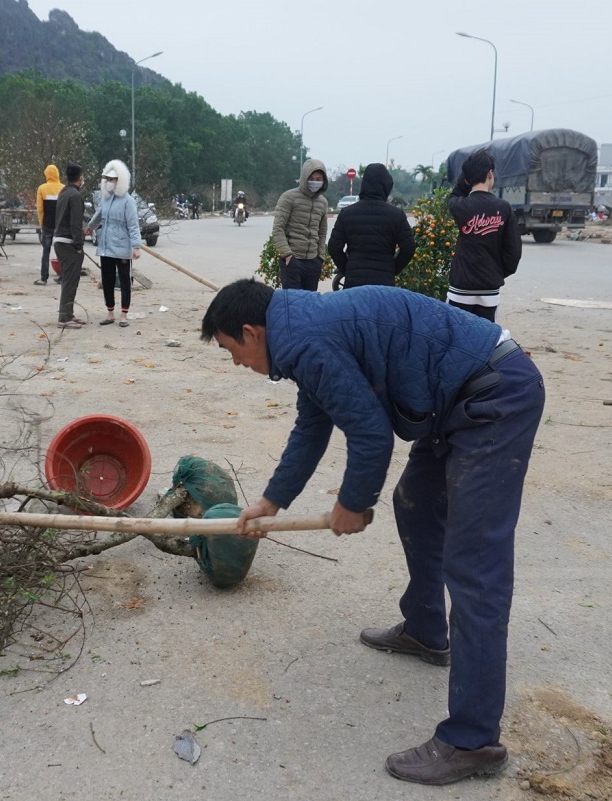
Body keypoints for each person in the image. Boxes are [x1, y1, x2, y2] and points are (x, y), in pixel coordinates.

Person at [200, 278, 545, 786]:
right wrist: (272, 501)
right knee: (415, 502)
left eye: (231, 351)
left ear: (251, 332)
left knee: (474, 568)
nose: (237, 363)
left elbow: (369, 432)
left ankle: (473, 740)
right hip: (454, 401)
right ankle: (428, 632)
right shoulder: (298, 327)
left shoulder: (303, 338)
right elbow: (313, 423)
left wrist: (353, 504)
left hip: (493, 399)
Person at [447, 150, 521, 322]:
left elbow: (454, 194)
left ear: (466, 180)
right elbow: (513, 251)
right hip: (489, 290)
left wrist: (467, 177)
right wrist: (496, 274)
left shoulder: (459, 206)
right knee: (485, 342)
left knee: (456, 338)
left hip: (460, 290)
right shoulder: (504, 208)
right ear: (490, 174)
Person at [328, 163, 416, 290]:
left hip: (354, 284)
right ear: (386, 185)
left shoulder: (347, 213)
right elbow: (408, 248)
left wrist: (347, 268)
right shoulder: (397, 215)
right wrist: (392, 269)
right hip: (384, 285)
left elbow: (334, 247)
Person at [86, 159, 141, 327]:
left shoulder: (128, 202)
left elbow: (133, 225)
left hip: (122, 247)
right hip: (105, 247)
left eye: (113, 180)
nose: (109, 182)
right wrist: (89, 228)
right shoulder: (106, 200)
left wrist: (136, 246)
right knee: (107, 281)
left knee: (125, 281)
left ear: (120, 181)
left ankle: (124, 315)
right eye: (108, 179)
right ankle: (110, 313)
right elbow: (98, 216)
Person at [272, 159, 330, 290]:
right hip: (293, 260)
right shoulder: (288, 197)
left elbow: (322, 232)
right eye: (312, 178)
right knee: (292, 303)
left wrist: (320, 257)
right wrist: (287, 255)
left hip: (313, 261)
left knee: (309, 304)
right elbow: (278, 229)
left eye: (319, 178)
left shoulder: (323, 202)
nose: (315, 181)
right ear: (304, 177)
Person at [52, 164, 87, 329]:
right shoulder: (75, 195)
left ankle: (69, 313)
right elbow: (75, 223)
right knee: (70, 281)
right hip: (69, 243)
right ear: (80, 177)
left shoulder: (64, 192)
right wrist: (79, 246)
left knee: (69, 280)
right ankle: (64, 317)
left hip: (59, 241)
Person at [35, 164, 64, 286]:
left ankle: (43, 278)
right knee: (61, 252)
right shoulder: (64, 188)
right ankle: (62, 277)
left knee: (46, 251)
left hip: (47, 224)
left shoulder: (42, 188)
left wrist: (42, 223)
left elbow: (40, 209)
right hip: (60, 225)